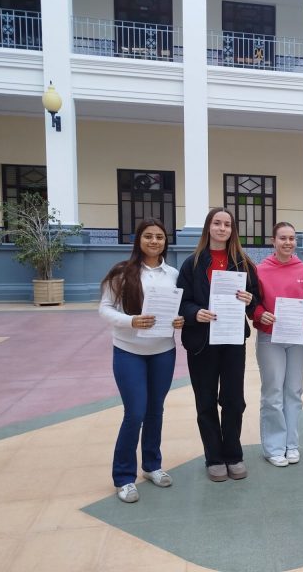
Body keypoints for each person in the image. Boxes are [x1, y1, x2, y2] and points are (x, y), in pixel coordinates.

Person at [99, 218, 185, 503]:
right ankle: (124, 477)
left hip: (163, 351)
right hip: (129, 351)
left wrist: (180, 320)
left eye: (159, 237)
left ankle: (151, 465)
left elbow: (177, 309)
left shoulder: (172, 274)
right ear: (138, 240)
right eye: (148, 236)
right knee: (135, 412)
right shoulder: (122, 273)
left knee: (155, 410)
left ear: (165, 241)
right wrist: (131, 320)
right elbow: (105, 309)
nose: (154, 241)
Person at [177, 208, 259, 482]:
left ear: (232, 230)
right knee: (206, 401)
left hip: (232, 340)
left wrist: (249, 300)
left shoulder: (243, 263)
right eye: (217, 223)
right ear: (208, 228)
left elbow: (256, 300)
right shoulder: (192, 263)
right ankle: (214, 457)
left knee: (234, 400)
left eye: (227, 224)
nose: (222, 228)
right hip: (202, 342)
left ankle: (233, 455)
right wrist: (194, 313)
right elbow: (182, 301)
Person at [253, 222, 303, 467]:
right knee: (273, 393)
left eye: (292, 238)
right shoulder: (260, 270)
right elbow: (253, 302)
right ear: (273, 241)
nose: (288, 243)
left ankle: (291, 444)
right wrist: (260, 314)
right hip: (270, 338)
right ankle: (274, 447)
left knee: (294, 391)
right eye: (283, 238)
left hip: (297, 338)